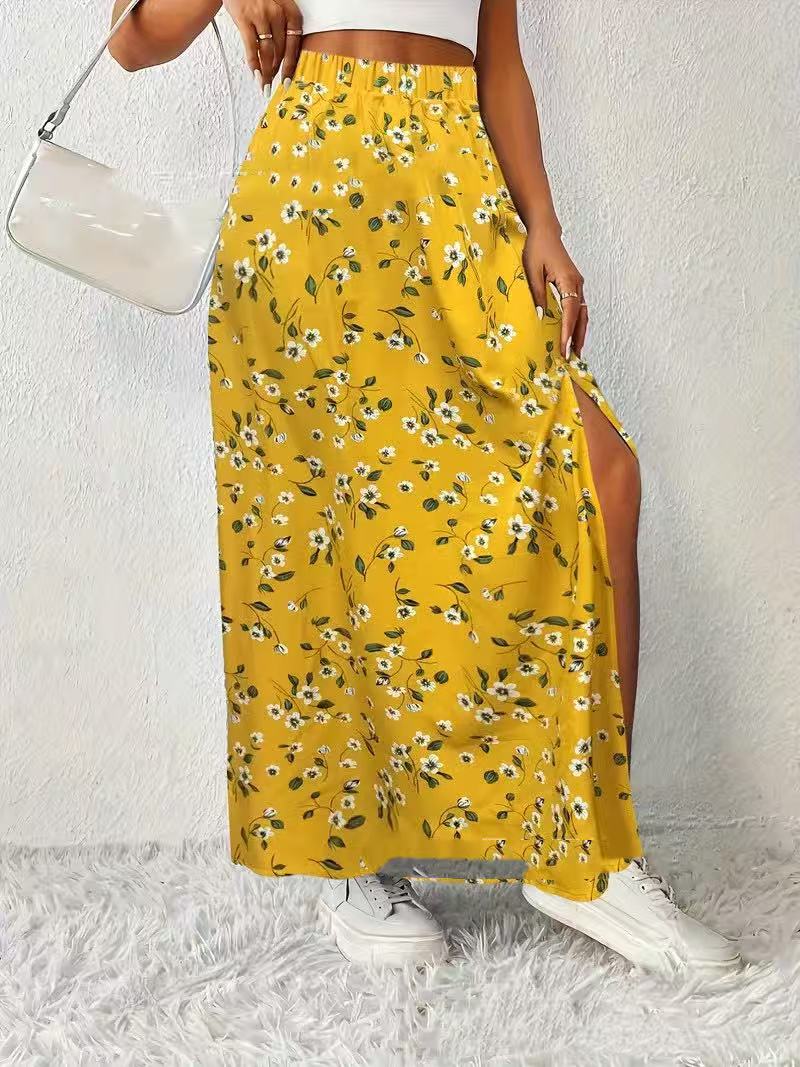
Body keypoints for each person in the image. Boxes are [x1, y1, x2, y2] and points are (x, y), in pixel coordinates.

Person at [109, 0, 741, 978]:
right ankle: (344, 854)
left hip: (454, 192)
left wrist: (542, 221)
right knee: (319, 529)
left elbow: (500, 60)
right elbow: (131, 40)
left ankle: (587, 855)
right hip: (309, 199)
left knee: (598, 471)